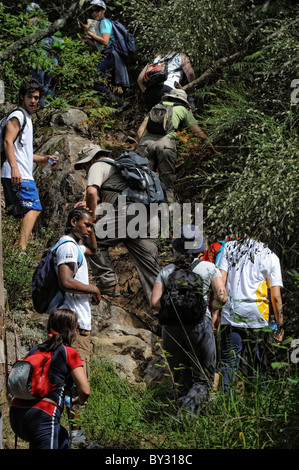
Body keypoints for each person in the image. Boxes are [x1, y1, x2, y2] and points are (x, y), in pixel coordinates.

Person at [151, 224, 227, 417]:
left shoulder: (167, 270)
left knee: (179, 376)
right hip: (200, 325)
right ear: (200, 248)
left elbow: (154, 304)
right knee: (205, 378)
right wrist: (212, 312)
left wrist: (173, 311)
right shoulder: (209, 268)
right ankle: (185, 417)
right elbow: (222, 296)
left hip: (171, 329)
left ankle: (182, 420)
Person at [74, 144, 161, 304]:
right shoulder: (124, 169)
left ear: (91, 160)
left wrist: (91, 219)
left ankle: (108, 284)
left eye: (84, 165)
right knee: (150, 270)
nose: (85, 169)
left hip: (128, 213)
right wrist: (90, 204)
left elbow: (92, 192)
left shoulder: (97, 165)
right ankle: (163, 314)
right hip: (149, 215)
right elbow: (102, 198)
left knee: (92, 239)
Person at [9, 308, 90, 449]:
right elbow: (85, 391)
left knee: (62, 440)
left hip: (16, 415)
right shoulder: (69, 352)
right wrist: (79, 401)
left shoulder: (35, 350)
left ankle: (76, 440)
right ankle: (79, 440)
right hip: (42, 418)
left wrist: (69, 400)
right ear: (71, 330)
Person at [53, 206, 101, 445]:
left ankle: (69, 434)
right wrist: (92, 288)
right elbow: (65, 280)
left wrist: (92, 219)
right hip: (73, 327)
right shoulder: (68, 247)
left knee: (72, 384)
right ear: (73, 222)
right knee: (77, 385)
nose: (90, 229)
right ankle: (75, 436)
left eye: (91, 225)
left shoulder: (76, 246)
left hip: (76, 323)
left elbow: (93, 248)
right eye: (86, 225)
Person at [217, 238, 284, 394]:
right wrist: (279, 325)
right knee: (257, 362)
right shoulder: (270, 255)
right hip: (258, 317)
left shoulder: (229, 248)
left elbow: (221, 282)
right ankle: (259, 402)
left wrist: (216, 311)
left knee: (229, 362)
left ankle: (227, 405)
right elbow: (276, 297)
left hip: (232, 314)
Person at [1, 78, 59, 250]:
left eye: (36, 97)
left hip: (18, 172)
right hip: (18, 175)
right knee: (34, 208)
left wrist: (42, 159)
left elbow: (22, 152)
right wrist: (14, 169)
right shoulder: (17, 116)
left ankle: (11, 254)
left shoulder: (26, 118)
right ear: (21, 97)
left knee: (17, 216)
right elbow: (7, 142)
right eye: (30, 97)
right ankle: (22, 250)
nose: (34, 101)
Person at [137, 88, 219, 204]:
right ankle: (168, 214)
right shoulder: (182, 109)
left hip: (145, 144)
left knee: (143, 182)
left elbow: (139, 132)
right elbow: (199, 134)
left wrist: (141, 148)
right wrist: (212, 148)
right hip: (166, 145)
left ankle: (140, 213)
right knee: (167, 186)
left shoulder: (156, 107)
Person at [80, 0, 129, 111]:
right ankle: (115, 107)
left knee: (95, 81)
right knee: (107, 83)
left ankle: (119, 102)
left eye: (97, 10)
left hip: (111, 56)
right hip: (108, 55)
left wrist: (90, 34)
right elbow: (99, 47)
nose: (94, 13)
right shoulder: (102, 23)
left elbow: (105, 41)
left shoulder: (104, 22)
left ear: (103, 11)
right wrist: (88, 41)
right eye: (92, 11)